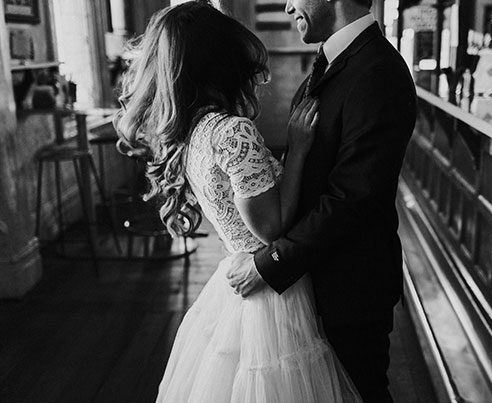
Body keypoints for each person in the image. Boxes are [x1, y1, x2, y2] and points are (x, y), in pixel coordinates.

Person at [113, 2, 362, 402]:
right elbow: (270, 228)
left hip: (237, 278)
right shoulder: (231, 132)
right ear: (220, 61)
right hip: (270, 298)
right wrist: (298, 150)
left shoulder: (194, 130)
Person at [227, 0, 417, 401]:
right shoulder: (333, 62)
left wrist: (272, 261)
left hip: (350, 290)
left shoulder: (378, 71)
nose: (287, 5)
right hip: (315, 282)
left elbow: (353, 198)